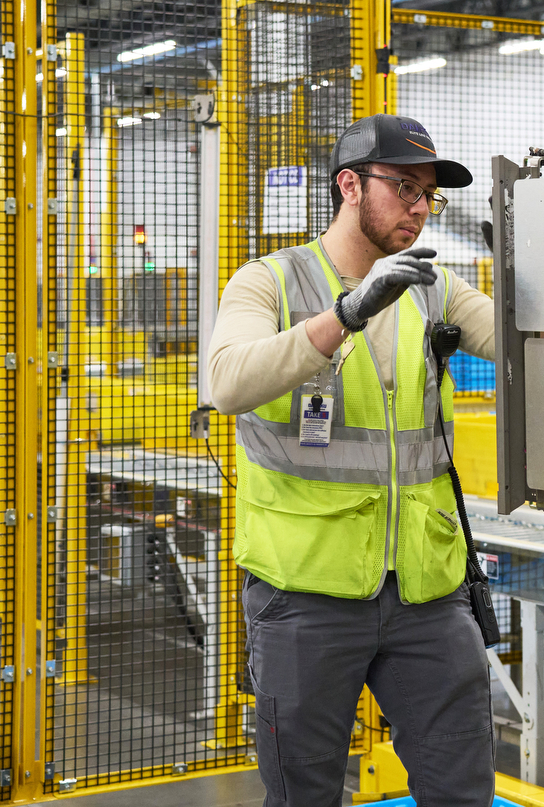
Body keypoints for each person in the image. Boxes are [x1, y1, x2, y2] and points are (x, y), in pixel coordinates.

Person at [209, 114, 496, 807]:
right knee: (303, 794)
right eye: (404, 187)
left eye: (430, 194)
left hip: (428, 592)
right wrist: (348, 311)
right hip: (305, 593)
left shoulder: (436, 287)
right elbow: (227, 382)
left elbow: (529, 338)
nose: (420, 208)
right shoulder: (268, 282)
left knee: (462, 791)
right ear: (349, 185)